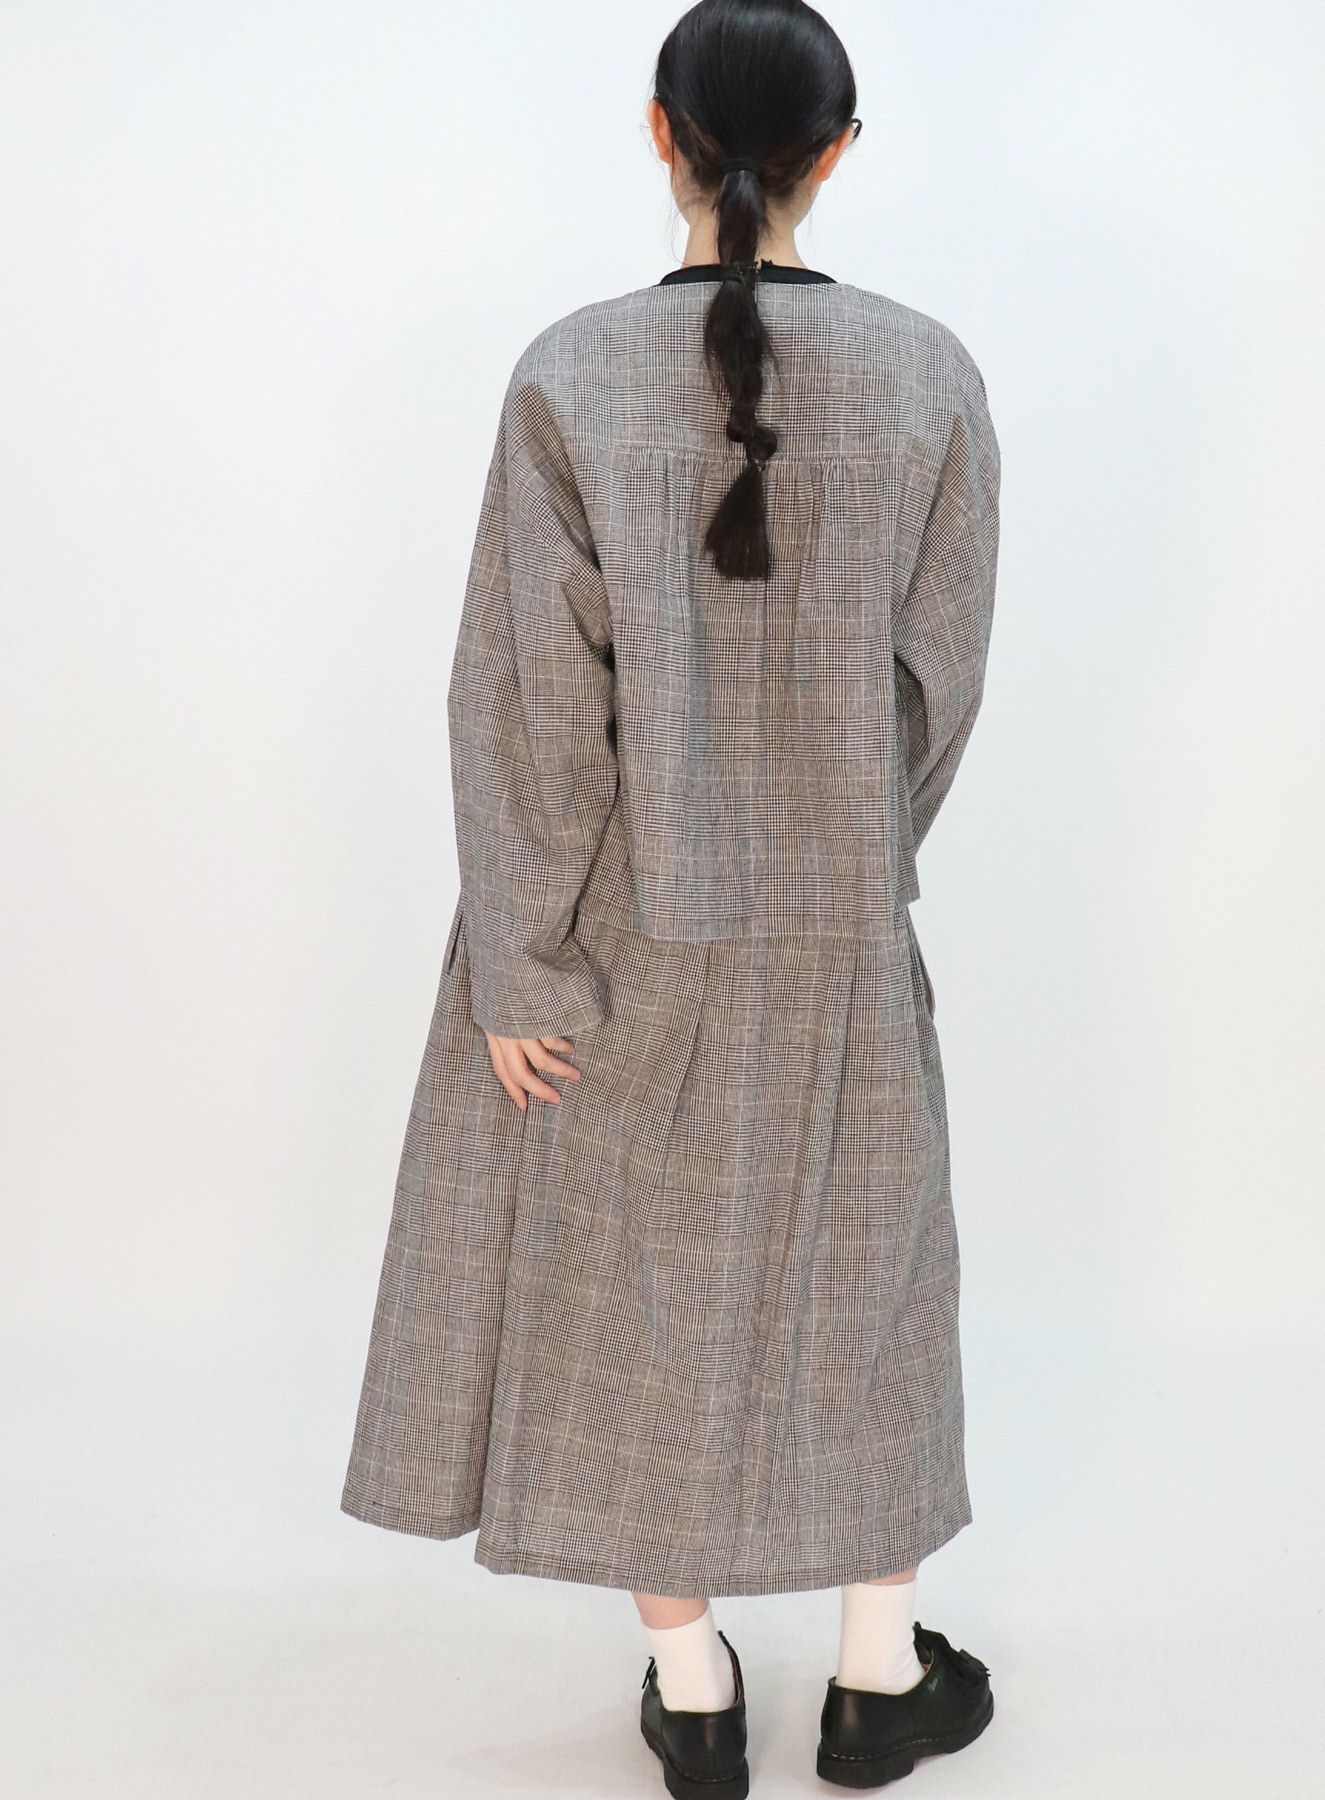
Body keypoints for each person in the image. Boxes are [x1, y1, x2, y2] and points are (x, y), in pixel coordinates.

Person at [340, 1, 1001, 1791]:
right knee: (868, 1291)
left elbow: (525, 702)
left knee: (631, 1298)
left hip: (624, 935)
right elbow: (938, 683)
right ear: (838, 153)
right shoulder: (931, 375)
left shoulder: (569, 374)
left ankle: (694, 1693)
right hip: (842, 932)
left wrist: (523, 963)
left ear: (660, 133)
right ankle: (877, 1682)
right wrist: (854, 851)